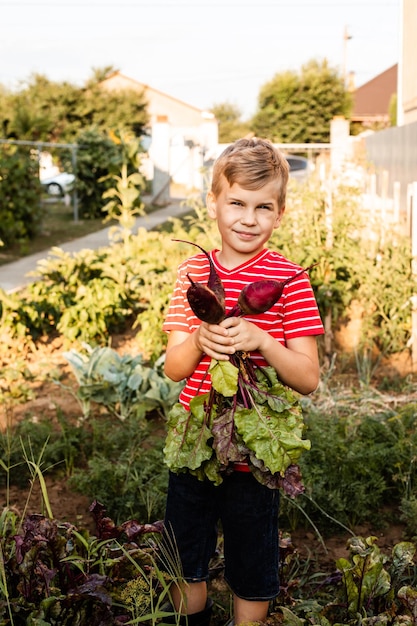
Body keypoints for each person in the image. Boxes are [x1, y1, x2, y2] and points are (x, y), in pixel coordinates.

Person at [162, 137, 324, 626]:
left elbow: (308, 378)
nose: (248, 218)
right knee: (184, 555)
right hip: (194, 443)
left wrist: (263, 342)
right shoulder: (193, 272)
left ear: (280, 213)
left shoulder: (289, 280)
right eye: (236, 202)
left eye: (263, 207)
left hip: (255, 451)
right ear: (213, 201)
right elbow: (173, 367)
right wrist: (198, 340)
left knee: (252, 559)